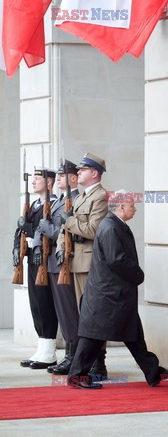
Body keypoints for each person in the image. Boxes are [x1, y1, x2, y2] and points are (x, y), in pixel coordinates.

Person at [67, 190, 168, 389]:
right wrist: (138, 274)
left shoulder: (115, 224)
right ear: (121, 207)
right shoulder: (111, 227)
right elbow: (116, 259)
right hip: (108, 295)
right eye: (131, 206)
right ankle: (76, 377)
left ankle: (153, 372)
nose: (135, 209)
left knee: (133, 334)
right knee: (93, 336)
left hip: (116, 295)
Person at [56, 152, 108, 378]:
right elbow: (63, 230)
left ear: (94, 173)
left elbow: (93, 230)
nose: (78, 173)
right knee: (81, 315)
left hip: (89, 263)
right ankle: (87, 360)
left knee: (93, 315)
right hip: (74, 261)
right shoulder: (79, 197)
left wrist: (68, 221)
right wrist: (60, 249)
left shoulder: (101, 196)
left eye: (83, 170)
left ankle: (99, 363)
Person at [33, 160, 80, 375]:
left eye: (62, 175)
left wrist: (45, 227)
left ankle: (73, 356)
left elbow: (62, 233)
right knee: (62, 313)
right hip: (51, 262)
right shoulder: (59, 200)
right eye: (58, 175)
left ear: (72, 178)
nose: (58, 179)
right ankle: (69, 355)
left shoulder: (74, 199)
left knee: (69, 312)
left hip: (63, 262)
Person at [13, 167, 59, 369]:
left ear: (49, 183)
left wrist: (28, 228)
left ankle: (49, 351)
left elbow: (47, 231)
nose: (33, 182)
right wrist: (16, 247)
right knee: (36, 305)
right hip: (31, 259)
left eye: (38, 178)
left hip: (44, 260)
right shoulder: (33, 205)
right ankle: (42, 348)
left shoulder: (54, 204)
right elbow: (20, 230)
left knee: (45, 303)